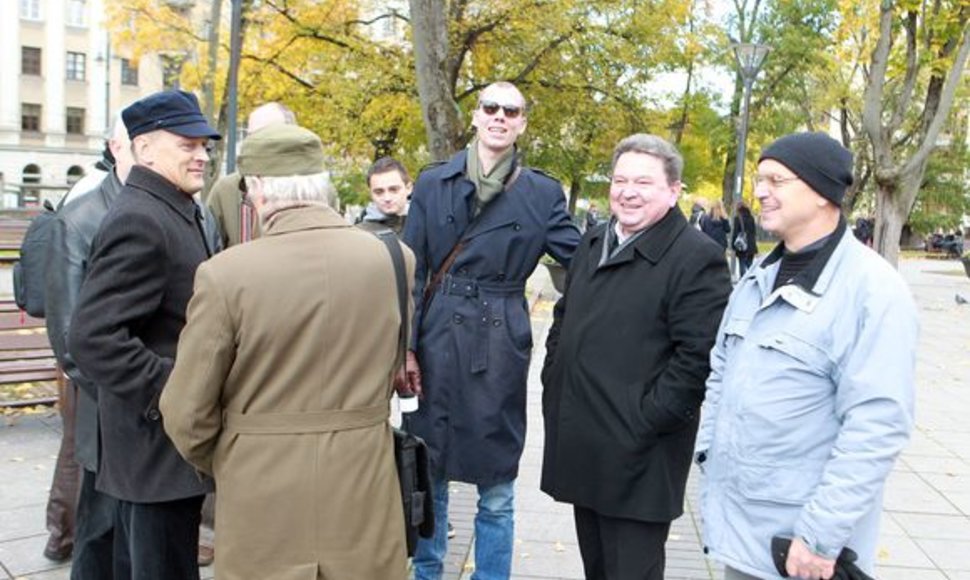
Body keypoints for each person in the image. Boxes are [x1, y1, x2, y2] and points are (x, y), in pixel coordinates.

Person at [160, 124, 411, 578]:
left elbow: (185, 412)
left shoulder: (225, 275)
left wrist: (233, 455)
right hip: (364, 488)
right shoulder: (394, 260)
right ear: (321, 185)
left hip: (260, 491)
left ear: (256, 189)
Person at [695, 132, 918, 580]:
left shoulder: (873, 291)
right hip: (741, 534)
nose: (760, 192)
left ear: (822, 194)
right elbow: (721, 371)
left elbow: (876, 426)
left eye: (776, 180)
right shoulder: (759, 275)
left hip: (804, 550)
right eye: (760, 179)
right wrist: (708, 450)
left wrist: (819, 537)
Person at [400, 81, 581, 580]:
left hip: (499, 340)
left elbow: (581, 261)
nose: (500, 116)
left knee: (497, 485)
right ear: (475, 117)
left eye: (511, 110)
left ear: (522, 123)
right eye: (491, 108)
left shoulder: (542, 192)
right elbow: (412, 274)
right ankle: (428, 572)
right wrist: (405, 351)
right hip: (436, 336)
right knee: (430, 469)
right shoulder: (434, 182)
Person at [541, 134, 731, 579]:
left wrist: (643, 419)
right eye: (620, 179)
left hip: (639, 454)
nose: (627, 191)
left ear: (673, 190)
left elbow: (696, 360)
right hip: (585, 442)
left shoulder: (695, 256)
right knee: (597, 569)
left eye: (643, 182)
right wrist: (555, 378)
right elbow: (563, 319)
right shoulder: (593, 242)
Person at [67, 89, 221, 579]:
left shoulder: (172, 206)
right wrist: (176, 391)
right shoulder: (141, 216)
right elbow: (93, 337)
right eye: (187, 145)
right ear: (145, 148)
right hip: (154, 452)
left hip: (163, 453)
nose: (201, 155)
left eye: (204, 145)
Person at [44, 113, 135, 576]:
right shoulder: (80, 218)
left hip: (159, 411)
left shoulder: (190, 211)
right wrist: (127, 392)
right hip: (108, 407)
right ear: (117, 147)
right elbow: (68, 336)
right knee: (99, 529)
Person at [206, 101, 296, 248]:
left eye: (267, 134)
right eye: (252, 136)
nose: (256, 143)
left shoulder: (314, 192)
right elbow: (209, 254)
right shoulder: (226, 191)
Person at [356, 156, 412, 235]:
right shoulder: (360, 234)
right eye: (379, 192)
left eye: (394, 190)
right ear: (370, 194)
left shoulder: (428, 224)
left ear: (409, 188)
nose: (387, 198)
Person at [732, 201, 758, 276]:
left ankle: (743, 281)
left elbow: (735, 233)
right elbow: (754, 231)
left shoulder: (738, 218)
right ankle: (752, 278)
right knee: (750, 265)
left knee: (742, 264)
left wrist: (733, 246)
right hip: (751, 245)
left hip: (742, 245)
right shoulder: (751, 218)